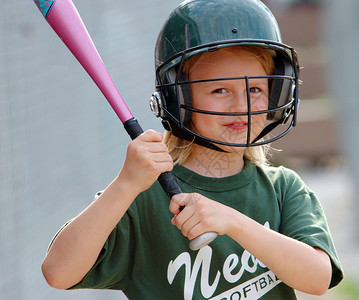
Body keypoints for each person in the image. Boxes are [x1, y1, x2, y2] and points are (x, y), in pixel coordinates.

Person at [41, 0, 343, 299]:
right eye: (219, 90)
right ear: (178, 100)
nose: (241, 106)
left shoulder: (282, 189)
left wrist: (233, 222)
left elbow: (317, 278)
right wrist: (124, 185)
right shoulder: (144, 195)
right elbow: (58, 272)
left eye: (255, 89)